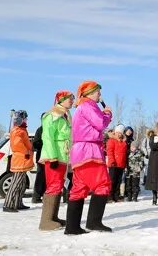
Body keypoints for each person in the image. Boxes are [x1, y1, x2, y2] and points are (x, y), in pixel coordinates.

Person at [65, 81, 113, 235]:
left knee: (79, 187)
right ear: (90, 93)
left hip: (80, 150)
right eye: (98, 91)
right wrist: (107, 114)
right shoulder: (89, 105)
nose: (100, 94)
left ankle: (72, 226)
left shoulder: (81, 106)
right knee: (102, 184)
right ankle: (94, 222)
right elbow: (100, 123)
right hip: (89, 150)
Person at [38, 91, 74, 231]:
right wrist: (52, 157)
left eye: (72, 98)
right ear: (61, 100)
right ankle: (46, 221)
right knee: (53, 185)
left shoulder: (65, 115)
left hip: (63, 156)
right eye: (69, 99)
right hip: (55, 157)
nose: (72, 101)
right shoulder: (52, 115)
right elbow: (47, 137)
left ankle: (53, 217)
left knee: (58, 185)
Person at [3, 110, 34, 213]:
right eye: (25, 118)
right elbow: (17, 144)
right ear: (21, 119)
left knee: (21, 183)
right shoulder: (17, 130)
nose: (26, 120)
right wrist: (26, 152)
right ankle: (8, 204)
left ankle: (18, 203)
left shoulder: (21, 129)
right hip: (20, 159)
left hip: (23, 159)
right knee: (16, 183)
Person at [106, 124, 127, 203]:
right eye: (118, 132)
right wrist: (111, 161)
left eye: (121, 133)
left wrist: (124, 164)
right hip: (113, 164)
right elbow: (109, 151)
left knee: (119, 181)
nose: (119, 134)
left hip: (121, 164)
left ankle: (116, 196)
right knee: (112, 180)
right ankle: (109, 196)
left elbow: (124, 154)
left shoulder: (123, 143)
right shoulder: (111, 140)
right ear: (115, 132)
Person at [31, 122, 45, 204]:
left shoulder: (48, 128)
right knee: (40, 177)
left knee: (45, 178)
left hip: (47, 157)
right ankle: (36, 196)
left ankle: (43, 195)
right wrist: (43, 144)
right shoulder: (40, 130)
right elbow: (36, 144)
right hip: (41, 157)